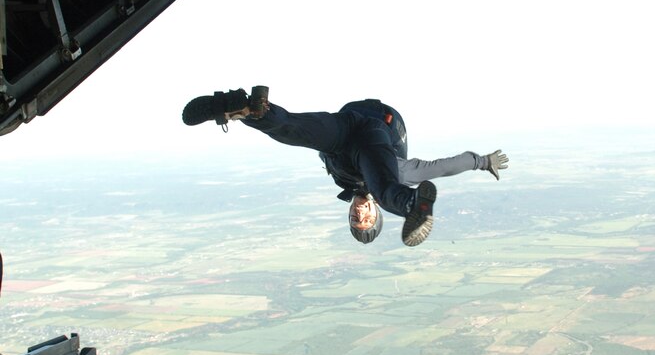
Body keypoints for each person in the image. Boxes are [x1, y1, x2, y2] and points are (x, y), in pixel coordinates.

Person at [182, 88, 508, 246]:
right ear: (376, 215)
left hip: (342, 132)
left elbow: (311, 137)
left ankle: (243, 109)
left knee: (292, 130)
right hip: (373, 132)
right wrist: (482, 161)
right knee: (385, 188)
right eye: (367, 219)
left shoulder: (341, 180)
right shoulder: (395, 172)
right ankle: (413, 205)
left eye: (355, 218)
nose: (360, 213)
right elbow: (439, 168)